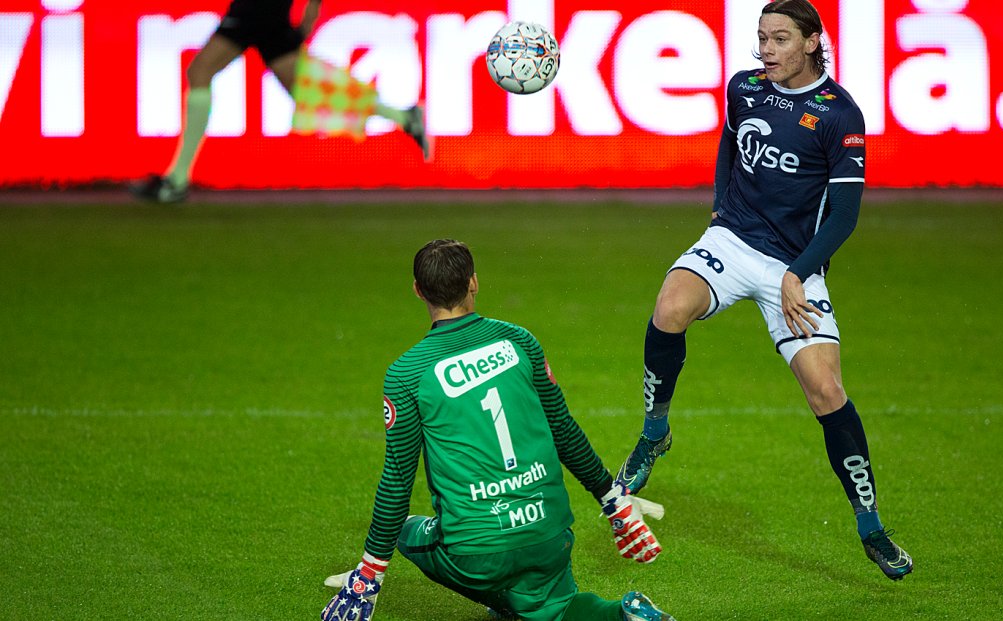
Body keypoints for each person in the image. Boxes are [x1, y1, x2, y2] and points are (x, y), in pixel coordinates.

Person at [613, 0, 913, 581]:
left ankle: (871, 527)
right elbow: (730, 145)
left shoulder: (839, 115)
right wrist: (721, 210)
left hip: (794, 266)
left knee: (826, 391)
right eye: (761, 38)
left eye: (779, 39)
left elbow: (844, 218)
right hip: (731, 241)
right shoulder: (745, 88)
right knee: (669, 306)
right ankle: (655, 433)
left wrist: (798, 273)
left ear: (811, 43)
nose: (766, 50)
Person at [321, 239, 674, 621]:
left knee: (408, 531)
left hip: (477, 555)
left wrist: (368, 576)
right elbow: (564, 430)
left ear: (418, 290)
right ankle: (622, 615)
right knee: (552, 606)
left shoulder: (407, 373)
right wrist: (613, 499)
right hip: (549, 533)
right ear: (474, 282)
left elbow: (396, 481)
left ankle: (508, 599)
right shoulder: (519, 341)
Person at [130, 0, 429, 204]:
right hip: (268, 9)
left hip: (258, 8)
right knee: (303, 91)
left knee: (200, 71)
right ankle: (403, 117)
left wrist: (311, 8)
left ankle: (177, 181)